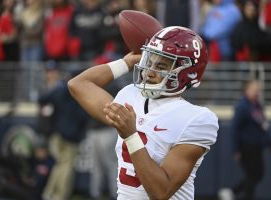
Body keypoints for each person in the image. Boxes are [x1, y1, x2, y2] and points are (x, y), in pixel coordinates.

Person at [68, 26, 219, 199]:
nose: (149, 72)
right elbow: (78, 84)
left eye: (160, 66)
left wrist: (131, 136)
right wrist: (125, 63)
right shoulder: (131, 94)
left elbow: (161, 192)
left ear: (186, 73)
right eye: (149, 62)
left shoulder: (197, 119)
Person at [38, 65, 90, 200]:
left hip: (58, 134)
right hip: (69, 137)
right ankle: (58, 196)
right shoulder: (81, 92)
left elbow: (42, 99)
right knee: (65, 167)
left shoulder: (61, 89)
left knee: (60, 164)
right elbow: (84, 117)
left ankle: (49, 194)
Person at [230, 79, 271, 200]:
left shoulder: (258, 106)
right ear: (247, 90)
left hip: (257, 147)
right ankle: (235, 193)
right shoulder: (242, 106)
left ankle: (233, 192)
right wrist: (236, 149)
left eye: (258, 89)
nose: (257, 92)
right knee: (253, 175)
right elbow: (235, 129)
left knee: (257, 175)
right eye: (254, 89)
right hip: (246, 147)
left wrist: (270, 143)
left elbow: (264, 126)